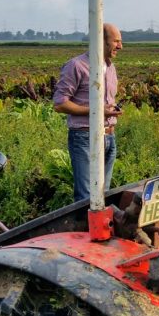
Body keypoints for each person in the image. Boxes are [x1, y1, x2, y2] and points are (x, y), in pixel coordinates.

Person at [53, 23, 124, 203]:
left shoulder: (111, 68)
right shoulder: (76, 66)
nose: (120, 46)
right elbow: (60, 104)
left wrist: (111, 111)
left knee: (103, 195)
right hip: (85, 137)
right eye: (116, 41)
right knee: (86, 198)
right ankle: (84, 231)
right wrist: (96, 111)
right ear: (101, 41)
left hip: (109, 138)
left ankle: (97, 231)